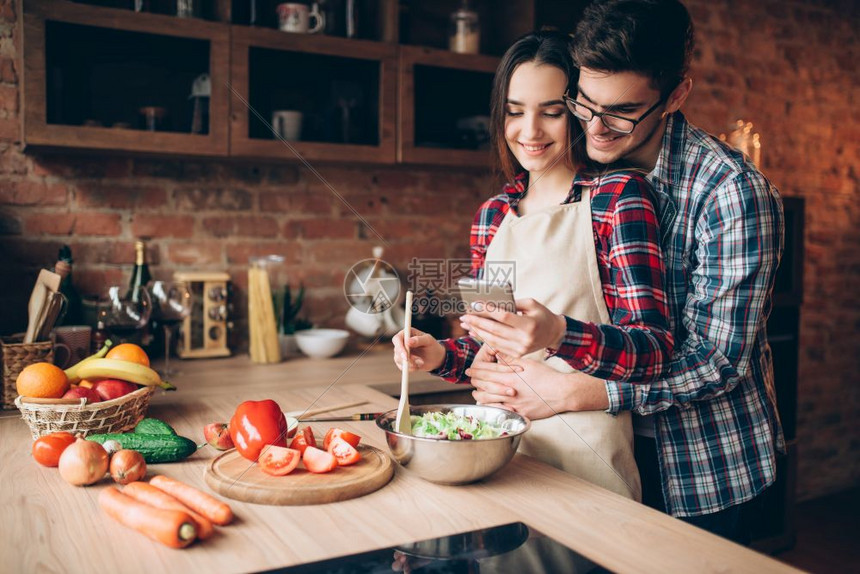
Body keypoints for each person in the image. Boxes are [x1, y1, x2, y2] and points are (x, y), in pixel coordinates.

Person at [465, 0, 785, 545]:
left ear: (675, 96)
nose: (597, 126)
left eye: (621, 112)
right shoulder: (565, 186)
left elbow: (718, 362)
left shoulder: (732, 193)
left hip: (700, 469)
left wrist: (576, 393)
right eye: (583, 104)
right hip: (590, 458)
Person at [392, 30, 674, 501]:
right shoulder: (491, 216)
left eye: (552, 112)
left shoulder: (618, 198)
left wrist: (559, 333)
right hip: (501, 449)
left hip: (586, 455)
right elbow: (490, 350)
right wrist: (439, 355)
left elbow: (654, 350)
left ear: (579, 113)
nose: (530, 131)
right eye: (515, 111)